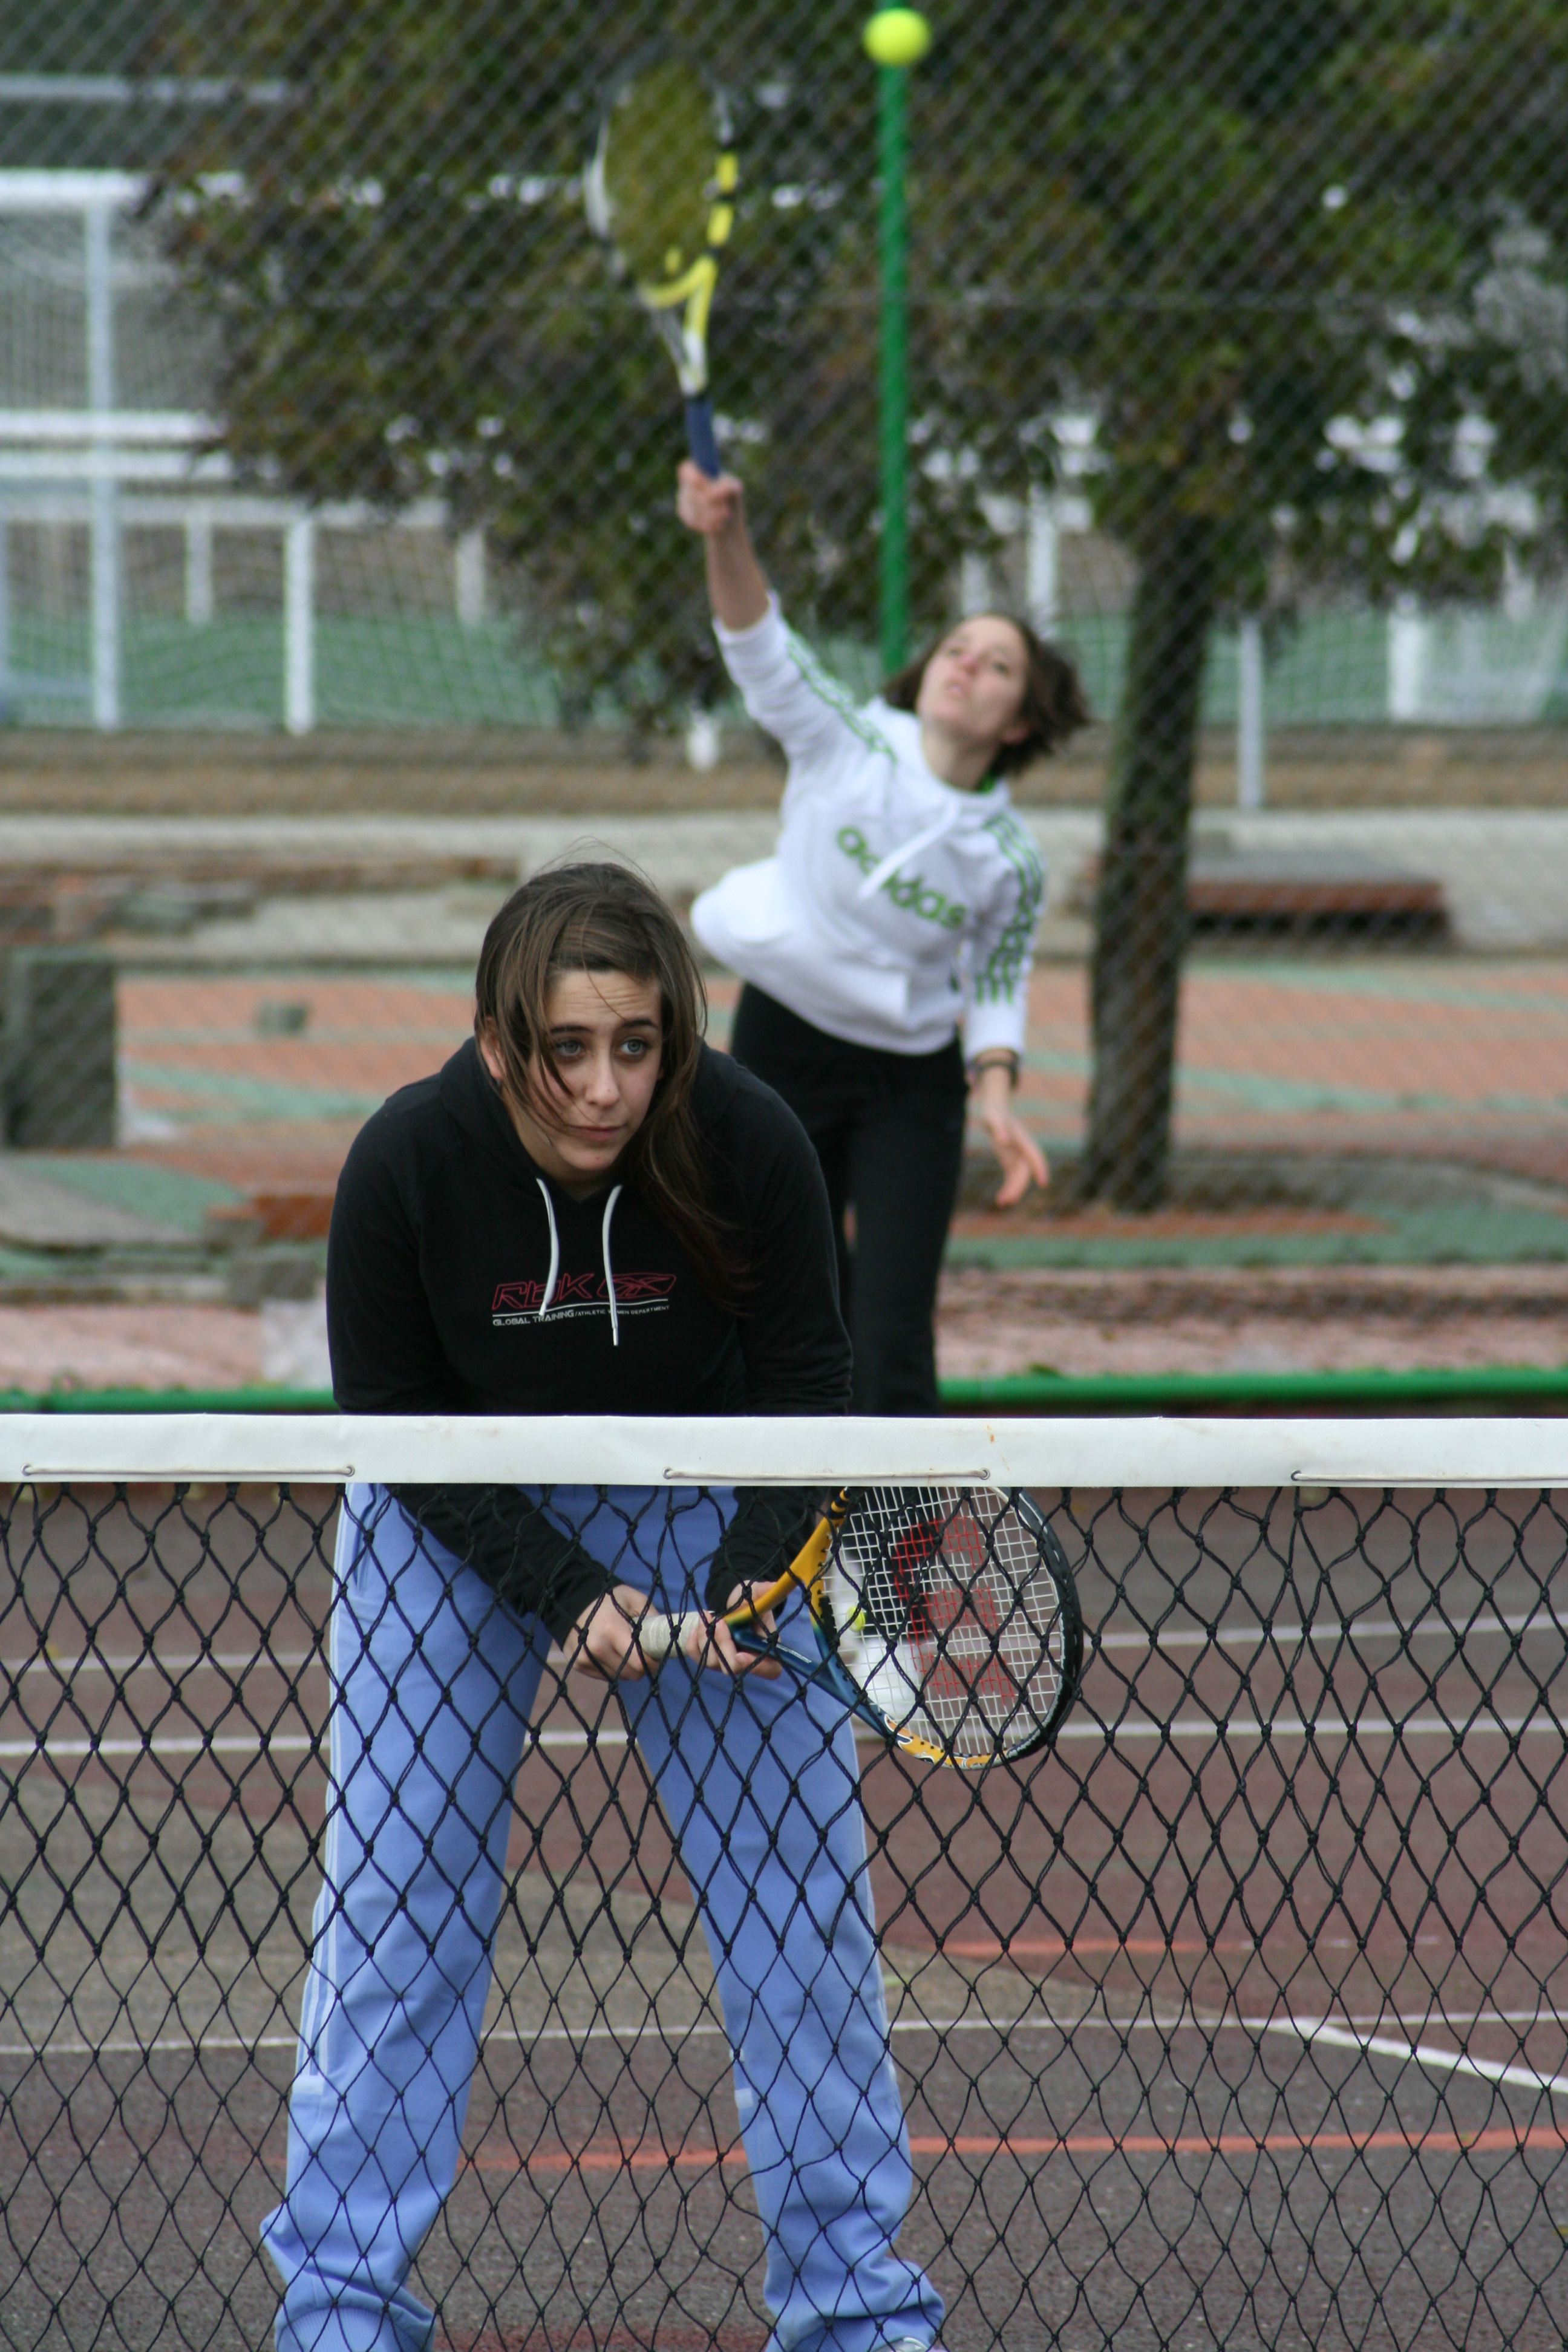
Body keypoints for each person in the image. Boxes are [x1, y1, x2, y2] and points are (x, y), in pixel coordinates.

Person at [260, 861, 946, 2352]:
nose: (605, 1087)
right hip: (454, 1505)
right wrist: (569, 1592)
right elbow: (392, 1425)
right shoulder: (407, 1160)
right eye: (566, 1049)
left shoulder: (745, 1134)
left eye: (636, 1044)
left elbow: (807, 1380)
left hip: (704, 1489)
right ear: (497, 1041)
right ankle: (340, 2313)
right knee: (399, 1907)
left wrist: (751, 1569)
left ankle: (856, 2315)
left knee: (800, 1913)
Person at [679, 460, 1089, 1414]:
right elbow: (758, 644)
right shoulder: (847, 743)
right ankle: (784, 1503)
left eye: (998, 666)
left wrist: (996, 1095)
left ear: (1021, 721)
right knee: (783, 1295)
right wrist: (724, 535)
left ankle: (893, 1508)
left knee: (892, 1327)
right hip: (783, 1042)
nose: (967, 666)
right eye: (958, 647)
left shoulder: (1011, 859)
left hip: (909, 1081)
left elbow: (997, 982)